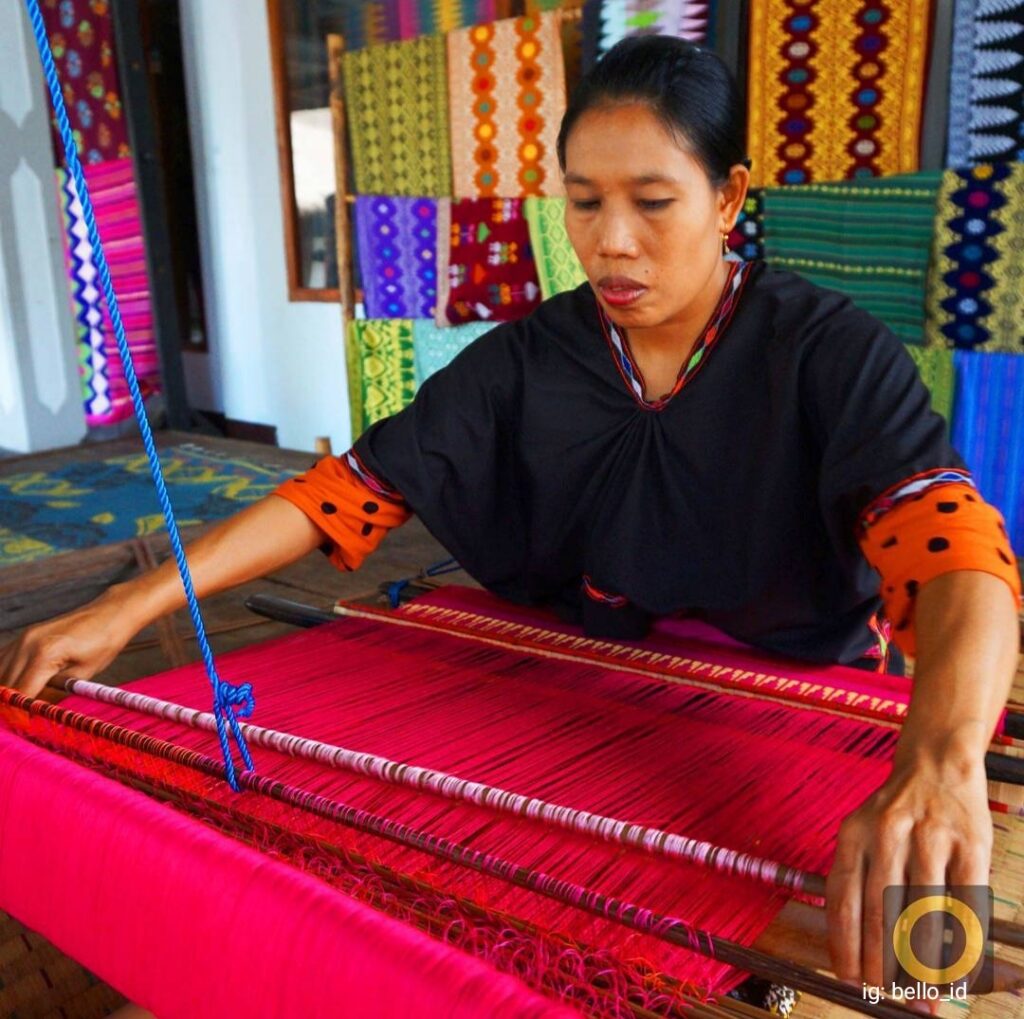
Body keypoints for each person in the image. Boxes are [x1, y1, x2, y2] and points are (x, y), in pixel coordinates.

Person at [2, 34, 1020, 1001]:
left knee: (906, 951)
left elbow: (949, 541)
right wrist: (132, 603)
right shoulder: (530, 359)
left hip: (791, 699)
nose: (609, 242)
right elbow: (342, 491)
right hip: (585, 671)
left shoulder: (825, 353)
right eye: (582, 202)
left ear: (730, 196)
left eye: (652, 201)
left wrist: (939, 756)